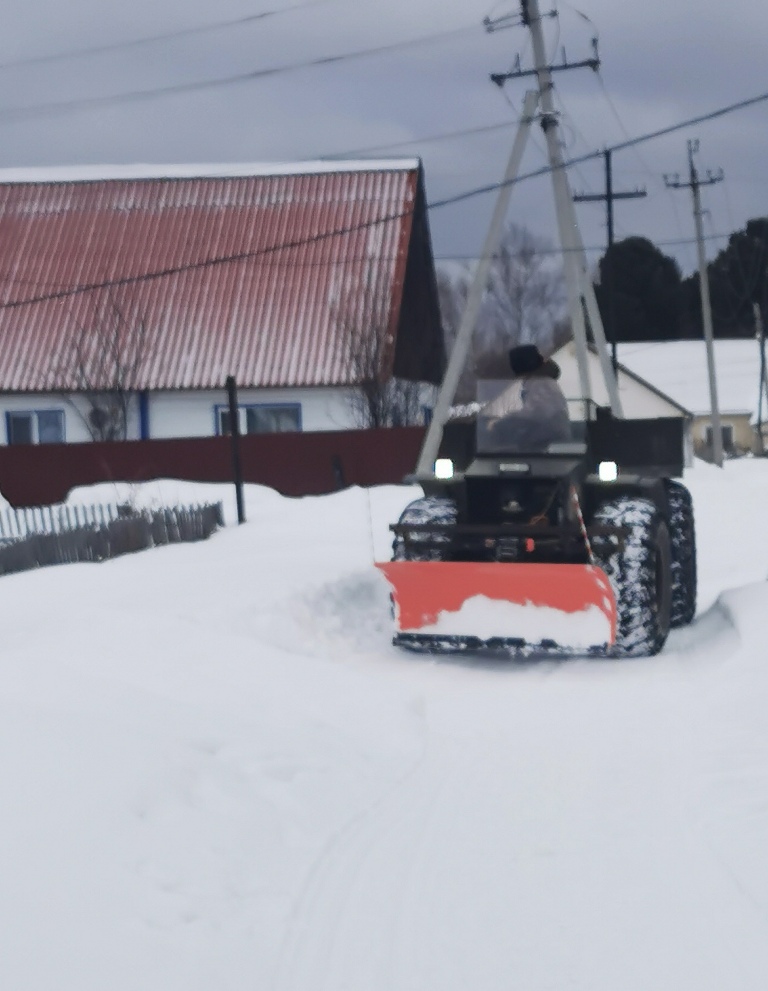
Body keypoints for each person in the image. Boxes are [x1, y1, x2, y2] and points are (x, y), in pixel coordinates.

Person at [479, 344, 572, 452]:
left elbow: (536, 412)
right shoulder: (539, 381)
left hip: (547, 437)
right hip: (544, 436)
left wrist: (500, 423)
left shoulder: (541, 383)